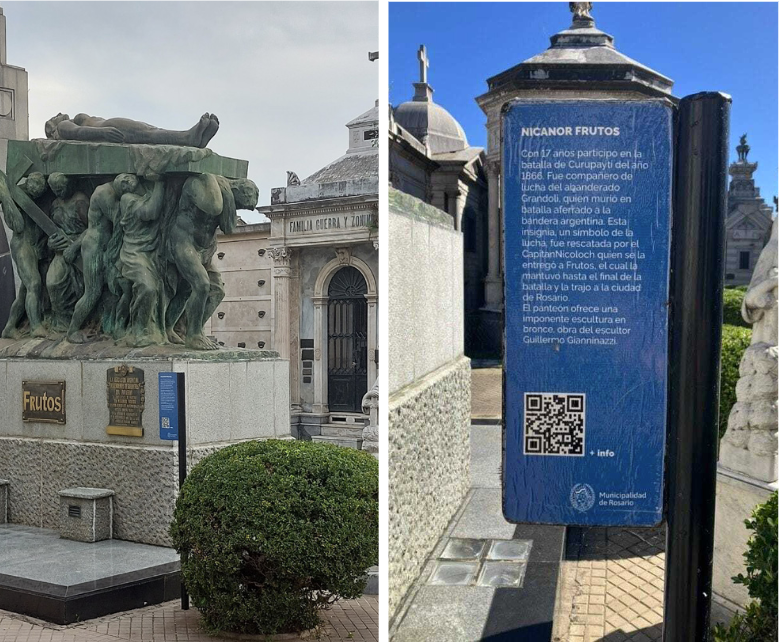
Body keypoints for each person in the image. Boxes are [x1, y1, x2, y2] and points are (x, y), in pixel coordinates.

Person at [165, 173, 258, 349]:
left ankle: (179, 328)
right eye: (240, 205)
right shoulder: (203, 182)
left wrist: (228, 197)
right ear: (238, 191)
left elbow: (228, 228)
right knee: (201, 284)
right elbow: (214, 208)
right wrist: (227, 195)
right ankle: (194, 335)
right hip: (184, 241)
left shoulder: (226, 195)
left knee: (215, 291)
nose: (237, 209)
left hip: (205, 249)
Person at [67, 174, 138, 343]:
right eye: (125, 190)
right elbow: (120, 220)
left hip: (107, 246)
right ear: (120, 182)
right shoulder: (104, 192)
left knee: (118, 287)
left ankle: (114, 327)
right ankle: (72, 331)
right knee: (92, 292)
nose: (126, 194)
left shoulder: (115, 193)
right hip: (95, 247)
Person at [116, 174, 167, 347]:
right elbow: (150, 212)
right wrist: (160, 180)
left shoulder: (147, 193)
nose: (125, 181)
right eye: (121, 184)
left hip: (155, 252)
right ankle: (139, 331)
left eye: (126, 177)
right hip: (134, 253)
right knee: (148, 287)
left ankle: (166, 329)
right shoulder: (127, 199)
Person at [0, 172, 51, 338]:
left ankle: (9, 327)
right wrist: (5, 194)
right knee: (34, 283)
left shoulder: (44, 196)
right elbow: (17, 225)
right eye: (34, 190)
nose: (37, 193)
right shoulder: (16, 195)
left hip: (36, 245)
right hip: (22, 245)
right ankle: (35, 326)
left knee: (24, 292)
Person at [45, 173, 89, 332]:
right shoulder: (55, 204)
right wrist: (51, 243)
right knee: (52, 282)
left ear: (69, 184)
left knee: (83, 286)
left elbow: (93, 228)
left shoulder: (80, 201)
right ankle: (62, 323)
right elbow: (51, 230)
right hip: (60, 249)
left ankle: (81, 322)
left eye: (61, 188)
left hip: (81, 247)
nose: (58, 192)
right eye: (55, 190)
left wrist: (75, 246)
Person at [45, 112, 219, 148]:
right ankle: (188, 137)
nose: (59, 114)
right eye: (54, 117)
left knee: (151, 131)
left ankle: (194, 138)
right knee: (149, 134)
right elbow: (77, 133)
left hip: (109, 127)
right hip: (109, 128)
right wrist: (103, 132)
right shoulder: (63, 126)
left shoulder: (72, 121)